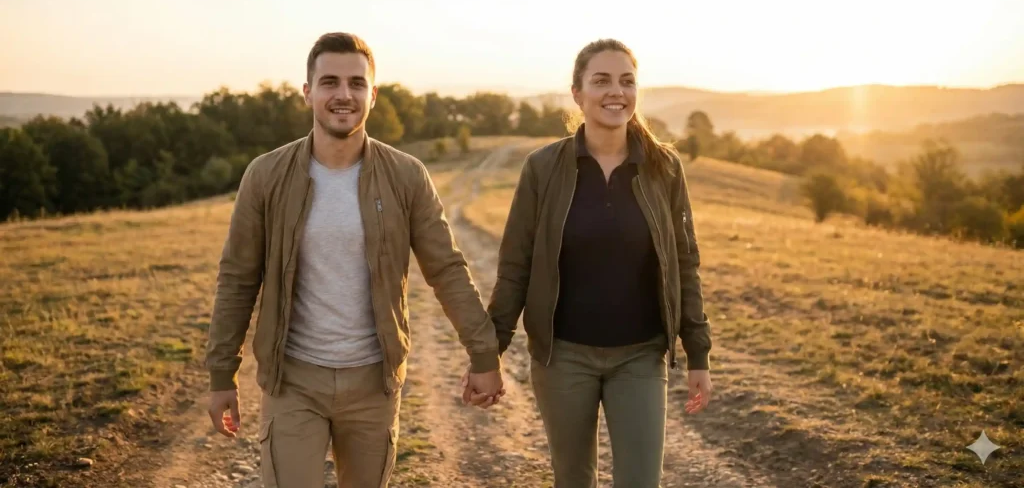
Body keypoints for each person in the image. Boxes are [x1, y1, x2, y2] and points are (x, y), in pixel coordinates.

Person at [205, 32, 504, 488]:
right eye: (329, 82)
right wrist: (221, 373)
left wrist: (483, 354)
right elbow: (238, 277)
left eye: (356, 84)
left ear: (373, 94)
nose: (343, 95)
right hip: (293, 382)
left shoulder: (406, 176)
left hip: (374, 383)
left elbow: (445, 269)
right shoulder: (266, 175)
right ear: (307, 93)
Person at [485, 38, 714, 487]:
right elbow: (516, 265)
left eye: (627, 81)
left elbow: (684, 263)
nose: (616, 92)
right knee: (573, 480)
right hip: (562, 358)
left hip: (641, 356)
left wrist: (698, 353)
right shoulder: (543, 168)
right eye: (602, 81)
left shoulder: (663, 167)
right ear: (578, 93)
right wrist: (488, 352)